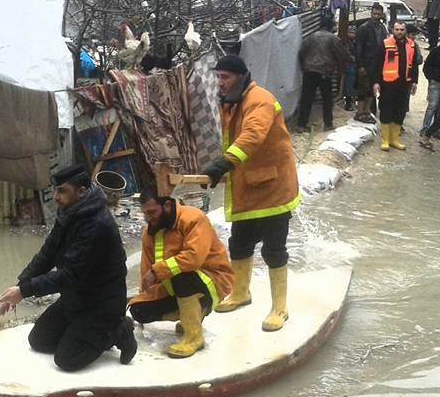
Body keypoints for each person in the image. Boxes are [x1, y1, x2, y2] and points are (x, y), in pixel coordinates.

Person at [0, 164, 136, 371]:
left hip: (100, 304)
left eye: (62, 191)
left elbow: (70, 275)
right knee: (39, 341)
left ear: (81, 192)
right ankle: (83, 331)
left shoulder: (98, 225)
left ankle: (118, 329)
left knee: (67, 360)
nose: (55, 197)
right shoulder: (70, 212)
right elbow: (48, 254)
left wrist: (25, 291)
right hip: (76, 297)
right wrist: (18, 287)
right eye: (55, 190)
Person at [201, 54, 300, 332]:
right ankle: (241, 292)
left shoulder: (260, 100)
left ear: (240, 77)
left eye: (225, 77)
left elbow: (253, 135)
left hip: (273, 187)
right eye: (218, 77)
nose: (220, 82)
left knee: (273, 250)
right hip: (248, 184)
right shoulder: (231, 100)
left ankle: (280, 308)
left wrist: (224, 163)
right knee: (240, 243)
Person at [128, 191, 233, 358]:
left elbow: (194, 258)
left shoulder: (193, 218)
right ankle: (190, 315)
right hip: (174, 286)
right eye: (145, 213)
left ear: (166, 205)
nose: (148, 218)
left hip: (213, 279)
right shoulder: (149, 232)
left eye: (152, 212)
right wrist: (143, 297)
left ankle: (194, 337)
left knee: (181, 276)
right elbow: (147, 274)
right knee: (139, 310)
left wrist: (157, 271)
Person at [297, 20, 352, 131]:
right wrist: (352, 59)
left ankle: (301, 125)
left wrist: (304, 66)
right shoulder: (333, 38)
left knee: (307, 98)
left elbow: (301, 52)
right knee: (327, 99)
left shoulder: (311, 37)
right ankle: (328, 124)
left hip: (309, 71)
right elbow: (342, 53)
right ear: (331, 27)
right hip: (324, 72)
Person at [373, 21, 419, 151]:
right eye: (397, 29)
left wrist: (414, 81)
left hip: (404, 84)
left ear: (405, 31)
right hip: (388, 84)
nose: (399, 32)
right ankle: (385, 140)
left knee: (400, 110)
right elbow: (377, 64)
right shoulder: (386, 43)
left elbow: (414, 64)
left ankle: (394, 139)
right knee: (386, 110)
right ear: (393, 30)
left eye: (402, 30)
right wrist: (376, 82)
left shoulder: (411, 44)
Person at [354, 3, 389, 123]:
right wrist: (360, 65)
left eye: (378, 14)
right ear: (371, 13)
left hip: (377, 64)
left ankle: (366, 111)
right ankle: (359, 112)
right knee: (362, 89)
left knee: (371, 90)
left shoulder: (382, 28)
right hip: (366, 63)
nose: (376, 16)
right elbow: (358, 47)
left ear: (381, 14)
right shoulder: (364, 28)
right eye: (374, 14)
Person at [343, 24, 359, 112]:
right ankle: (348, 104)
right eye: (350, 32)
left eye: (354, 32)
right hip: (349, 65)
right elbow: (346, 53)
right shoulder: (345, 42)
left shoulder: (356, 42)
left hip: (355, 64)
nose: (352, 34)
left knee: (355, 85)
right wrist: (353, 58)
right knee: (349, 84)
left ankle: (353, 102)